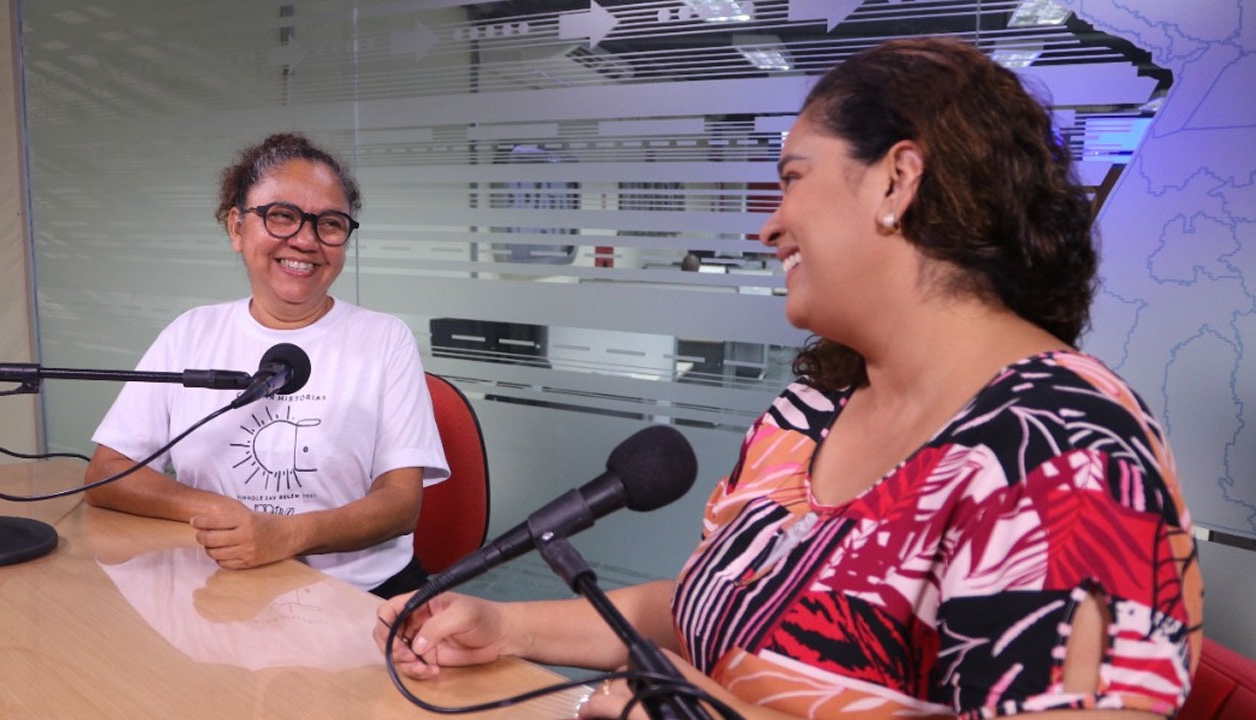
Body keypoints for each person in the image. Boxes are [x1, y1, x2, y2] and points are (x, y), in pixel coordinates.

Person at [374, 37, 1203, 719]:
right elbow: (719, 613)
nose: (768, 224)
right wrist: (507, 626)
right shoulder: (807, 412)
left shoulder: (1066, 456)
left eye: (794, 177)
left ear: (895, 180)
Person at [85, 132, 449, 599]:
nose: (305, 240)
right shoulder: (191, 333)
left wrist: (286, 534)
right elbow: (108, 472)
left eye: (330, 224)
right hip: (218, 584)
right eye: (282, 216)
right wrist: (223, 514)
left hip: (360, 592)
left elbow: (401, 505)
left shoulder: (384, 339)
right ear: (237, 228)